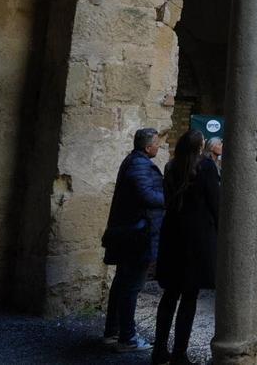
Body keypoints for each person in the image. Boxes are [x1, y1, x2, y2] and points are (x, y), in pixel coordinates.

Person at [153, 129, 220, 365]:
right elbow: (215, 202)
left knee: (170, 294)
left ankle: (159, 349)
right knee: (189, 297)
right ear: (200, 147)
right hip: (196, 238)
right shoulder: (207, 167)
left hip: (173, 233)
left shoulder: (171, 167)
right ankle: (179, 353)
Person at [101, 127, 165, 353]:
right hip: (137, 235)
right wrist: (171, 196)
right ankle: (127, 337)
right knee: (131, 286)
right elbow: (146, 195)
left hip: (131, 233)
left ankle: (113, 331)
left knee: (122, 283)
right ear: (148, 147)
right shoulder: (139, 165)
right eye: (157, 143)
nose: (160, 146)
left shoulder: (135, 161)